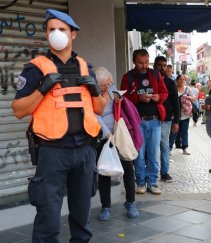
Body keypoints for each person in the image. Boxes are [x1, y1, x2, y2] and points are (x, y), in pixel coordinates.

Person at [11, 9, 108, 242]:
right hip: (52, 153)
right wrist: (41, 88)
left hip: (85, 150)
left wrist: (96, 91)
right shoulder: (35, 68)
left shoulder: (86, 66)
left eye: (62, 29)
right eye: (51, 29)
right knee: (48, 220)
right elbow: (19, 110)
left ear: (73, 34)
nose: (56, 33)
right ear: (46, 33)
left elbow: (100, 109)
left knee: (82, 219)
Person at [94, 67, 140, 220]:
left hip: (119, 133)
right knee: (104, 171)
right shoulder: (92, 94)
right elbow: (95, 116)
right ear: (96, 83)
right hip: (103, 136)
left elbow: (119, 104)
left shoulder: (110, 87)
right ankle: (105, 207)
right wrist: (108, 134)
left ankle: (131, 202)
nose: (108, 87)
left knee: (128, 167)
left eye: (109, 84)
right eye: (104, 85)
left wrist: (119, 99)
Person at [121, 49, 168, 195]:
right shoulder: (128, 77)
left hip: (155, 120)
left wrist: (158, 97)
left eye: (147, 62)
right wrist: (138, 98)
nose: (144, 65)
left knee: (153, 153)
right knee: (139, 154)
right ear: (134, 61)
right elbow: (123, 98)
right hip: (137, 121)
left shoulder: (155, 74)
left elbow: (164, 93)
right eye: (141, 63)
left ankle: (152, 182)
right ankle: (140, 182)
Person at [154, 56, 180, 182]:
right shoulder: (150, 80)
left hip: (166, 119)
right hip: (151, 118)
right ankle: (151, 173)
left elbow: (176, 102)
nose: (162, 68)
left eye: (164, 65)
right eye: (159, 65)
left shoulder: (170, 83)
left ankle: (164, 172)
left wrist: (176, 121)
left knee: (164, 145)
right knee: (151, 147)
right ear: (154, 66)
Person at [169, 74, 195, 155]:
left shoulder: (187, 89)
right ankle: (169, 148)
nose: (182, 81)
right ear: (177, 80)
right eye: (180, 79)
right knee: (173, 132)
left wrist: (190, 98)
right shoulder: (173, 88)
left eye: (183, 79)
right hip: (174, 114)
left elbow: (194, 97)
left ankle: (185, 148)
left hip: (185, 114)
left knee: (184, 132)